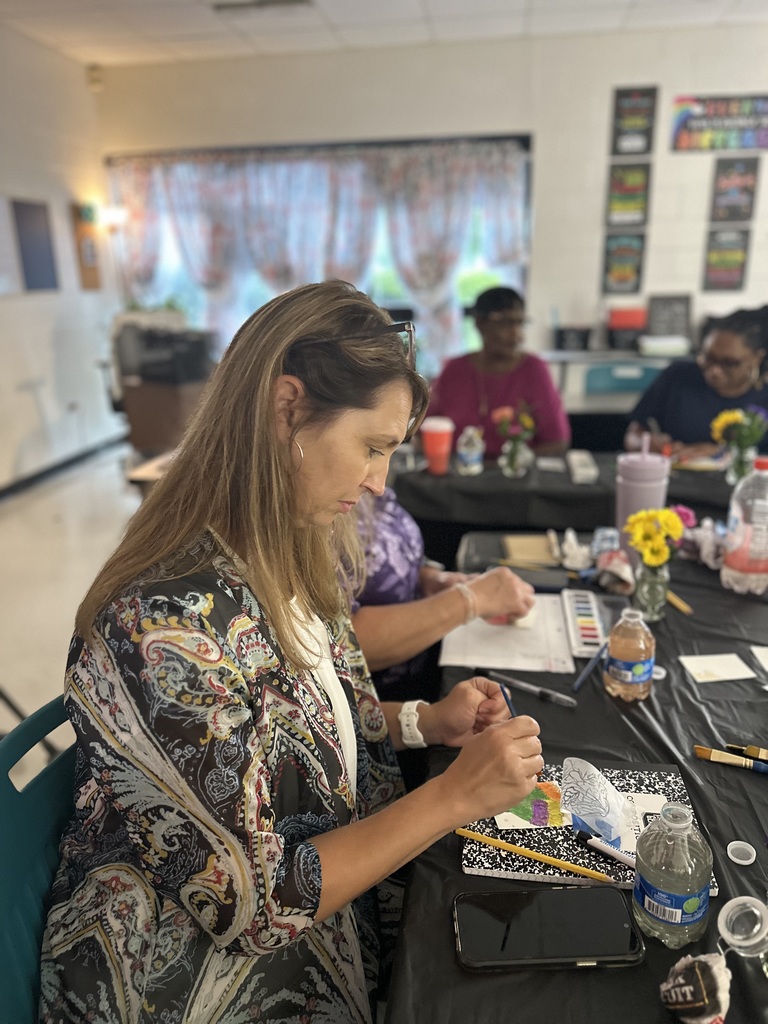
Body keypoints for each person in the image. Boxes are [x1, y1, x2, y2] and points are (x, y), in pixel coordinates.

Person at [39, 280, 543, 1024]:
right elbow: (250, 903)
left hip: (318, 927)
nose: (379, 481)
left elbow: (300, 725)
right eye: (371, 448)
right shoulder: (164, 624)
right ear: (288, 409)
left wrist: (423, 723)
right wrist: (454, 795)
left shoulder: (285, 554)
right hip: (184, 984)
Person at [351, 487, 534, 704]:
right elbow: (340, 643)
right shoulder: (318, 521)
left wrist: (429, 578)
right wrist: (469, 600)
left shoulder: (366, 488)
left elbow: (390, 548)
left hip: (423, 666)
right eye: (372, 451)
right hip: (378, 699)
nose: (381, 483)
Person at [428, 285, 571, 458]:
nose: (517, 335)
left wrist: (508, 465)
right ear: (480, 324)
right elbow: (426, 430)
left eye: (520, 323)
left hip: (515, 479)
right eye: (505, 323)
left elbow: (557, 442)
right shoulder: (454, 370)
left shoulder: (534, 370)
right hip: (460, 476)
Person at [625, 310, 768, 458]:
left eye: (729, 363)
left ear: (757, 358)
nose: (715, 371)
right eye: (707, 358)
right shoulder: (678, 376)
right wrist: (646, 445)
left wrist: (721, 454)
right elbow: (634, 432)